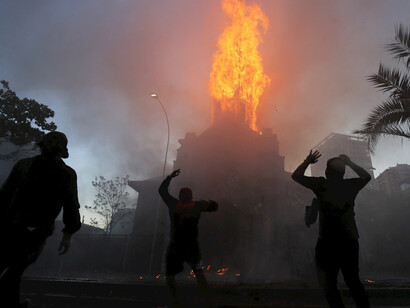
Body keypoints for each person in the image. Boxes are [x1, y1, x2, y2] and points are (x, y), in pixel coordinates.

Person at [0, 131, 81, 307]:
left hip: (38, 232)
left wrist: (68, 233)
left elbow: (71, 204)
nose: (54, 143)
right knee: (9, 268)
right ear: (42, 144)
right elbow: (5, 194)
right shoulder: (23, 166)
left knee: (15, 269)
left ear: (64, 150)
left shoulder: (67, 174)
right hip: (11, 226)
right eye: (51, 139)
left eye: (59, 141)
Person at [291, 150, 371, 308]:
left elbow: (296, 176)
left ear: (328, 171)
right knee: (352, 281)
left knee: (328, 283)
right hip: (349, 240)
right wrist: (350, 163)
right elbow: (366, 177)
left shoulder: (321, 185)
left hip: (327, 242)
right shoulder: (350, 185)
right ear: (342, 172)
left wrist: (307, 161)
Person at [158, 169, 218, 307]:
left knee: (170, 276)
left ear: (180, 196)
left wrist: (170, 177)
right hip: (191, 247)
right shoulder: (197, 205)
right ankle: (208, 301)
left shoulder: (174, 204)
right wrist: (208, 201)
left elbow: (162, 191)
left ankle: (175, 301)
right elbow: (215, 206)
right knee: (198, 272)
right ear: (190, 196)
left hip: (176, 246)